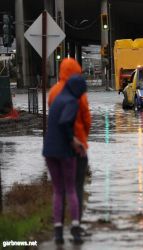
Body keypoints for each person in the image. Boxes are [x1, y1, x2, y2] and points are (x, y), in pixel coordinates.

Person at [48, 58, 91, 230]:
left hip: (56, 146)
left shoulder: (53, 92)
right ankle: (76, 224)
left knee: (59, 189)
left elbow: (53, 117)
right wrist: (82, 140)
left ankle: (59, 225)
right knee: (76, 187)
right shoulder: (78, 93)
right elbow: (87, 119)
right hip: (76, 145)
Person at [43, 75, 87, 244]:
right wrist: (74, 141)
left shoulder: (57, 99)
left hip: (49, 151)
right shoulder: (71, 101)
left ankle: (58, 232)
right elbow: (65, 123)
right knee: (70, 189)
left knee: (58, 190)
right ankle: (75, 230)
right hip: (64, 151)